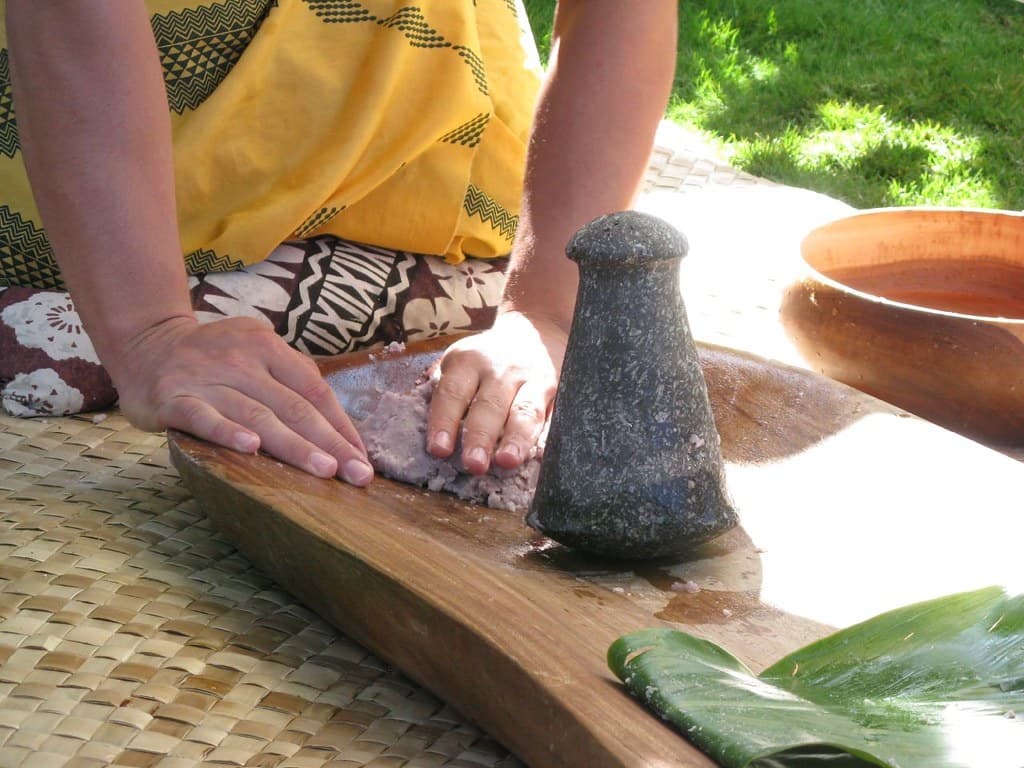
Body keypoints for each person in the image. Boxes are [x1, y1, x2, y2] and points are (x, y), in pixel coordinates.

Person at [2, 0, 677, 486]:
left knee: (479, 329)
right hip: (107, 152)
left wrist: (545, 311)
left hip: (429, 141)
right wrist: (146, 332)